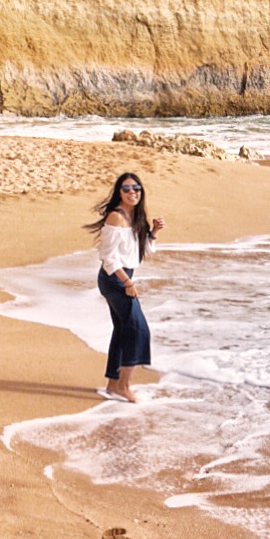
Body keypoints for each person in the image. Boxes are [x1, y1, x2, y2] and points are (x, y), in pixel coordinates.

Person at [86, 172, 165, 402]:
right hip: (114, 279)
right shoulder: (116, 218)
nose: (133, 193)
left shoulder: (136, 218)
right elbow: (108, 258)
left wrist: (154, 232)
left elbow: (143, 251)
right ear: (119, 193)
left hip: (123, 276)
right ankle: (124, 385)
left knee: (123, 330)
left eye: (137, 189)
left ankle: (113, 384)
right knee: (138, 329)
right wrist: (127, 282)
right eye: (127, 189)